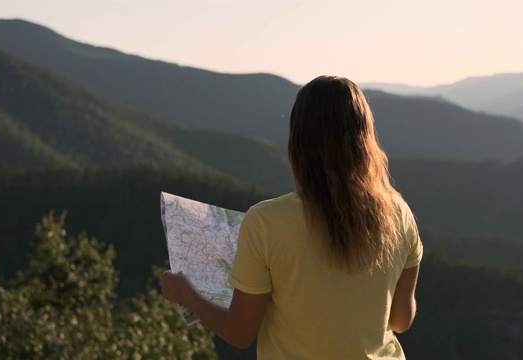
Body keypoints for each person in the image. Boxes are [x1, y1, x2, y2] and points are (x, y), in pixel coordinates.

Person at [160, 75, 422, 359]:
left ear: (298, 143)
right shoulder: (399, 214)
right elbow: (400, 320)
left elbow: (239, 333)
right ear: (365, 140)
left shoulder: (265, 222)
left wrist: (186, 294)